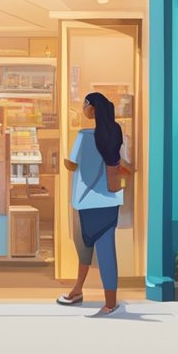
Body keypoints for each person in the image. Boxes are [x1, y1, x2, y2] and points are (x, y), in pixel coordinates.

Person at [57, 92, 129, 315]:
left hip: (86, 201)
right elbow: (122, 162)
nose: (83, 109)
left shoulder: (83, 136)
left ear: (92, 109)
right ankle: (109, 302)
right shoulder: (116, 132)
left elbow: (71, 164)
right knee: (107, 250)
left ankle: (78, 291)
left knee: (84, 247)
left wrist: (65, 160)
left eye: (85, 105)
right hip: (109, 199)